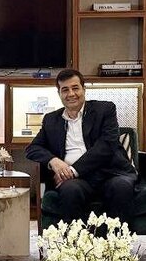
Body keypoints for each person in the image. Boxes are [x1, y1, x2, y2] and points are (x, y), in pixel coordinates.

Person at [25, 68, 137, 225]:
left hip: (111, 173)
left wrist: (71, 171)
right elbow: (32, 148)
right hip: (78, 181)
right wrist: (53, 161)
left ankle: (118, 240)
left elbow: (106, 146)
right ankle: (74, 241)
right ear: (59, 94)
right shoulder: (51, 120)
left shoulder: (105, 110)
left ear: (84, 89)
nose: (71, 94)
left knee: (121, 187)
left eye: (75, 88)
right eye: (65, 90)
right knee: (70, 190)